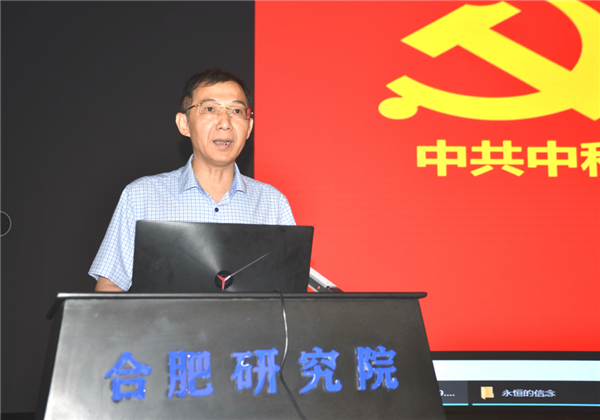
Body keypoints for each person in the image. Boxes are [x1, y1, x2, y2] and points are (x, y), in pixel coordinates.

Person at [90, 69, 295, 292]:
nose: (225, 123)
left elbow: (292, 294)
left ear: (249, 127)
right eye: (210, 109)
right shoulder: (141, 196)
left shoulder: (273, 204)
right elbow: (110, 285)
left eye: (236, 111)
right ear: (184, 124)